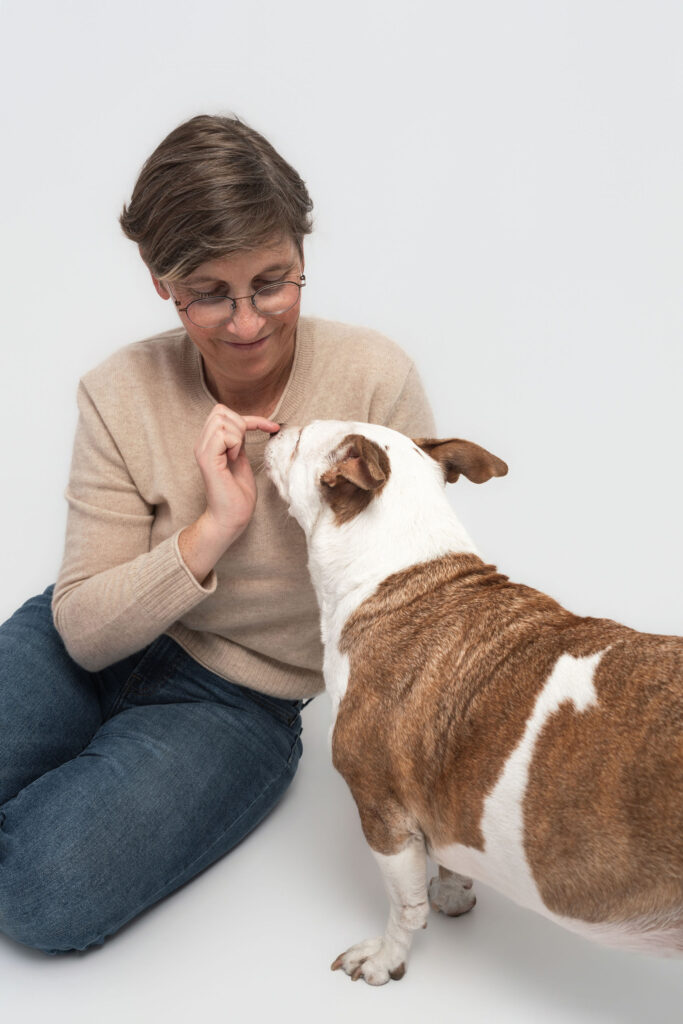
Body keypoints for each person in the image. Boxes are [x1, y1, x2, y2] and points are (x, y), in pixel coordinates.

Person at [0, 114, 435, 955]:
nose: (246, 323)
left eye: (273, 282)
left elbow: (412, 608)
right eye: (209, 292)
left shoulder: (377, 382)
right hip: (88, 638)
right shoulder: (117, 390)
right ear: (159, 278)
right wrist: (214, 528)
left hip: (238, 702)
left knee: (44, 894)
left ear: (302, 252)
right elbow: (85, 631)